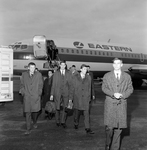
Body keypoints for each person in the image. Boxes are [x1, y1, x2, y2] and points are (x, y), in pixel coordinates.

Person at [102, 58, 133, 150]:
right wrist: (113, 94)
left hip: (121, 105)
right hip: (110, 105)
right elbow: (104, 88)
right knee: (110, 128)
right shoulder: (107, 76)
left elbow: (130, 89)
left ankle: (115, 148)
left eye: (118, 63)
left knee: (119, 129)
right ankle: (108, 143)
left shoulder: (127, 76)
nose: (116, 65)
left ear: (121, 65)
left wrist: (123, 95)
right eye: (114, 63)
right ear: (113, 65)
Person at [69, 64, 94, 134]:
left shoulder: (89, 78)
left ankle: (87, 128)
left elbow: (89, 88)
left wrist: (89, 98)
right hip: (77, 98)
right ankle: (76, 123)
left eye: (86, 69)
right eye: (84, 69)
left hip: (86, 99)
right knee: (77, 113)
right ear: (80, 69)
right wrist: (70, 99)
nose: (85, 71)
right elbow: (72, 88)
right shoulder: (75, 77)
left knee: (86, 114)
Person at [20, 62, 43, 135]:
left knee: (35, 112)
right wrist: (24, 93)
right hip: (27, 98)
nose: (32, 69)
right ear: (28, 68)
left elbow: (40, 85)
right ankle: (28, 129)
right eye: (31, 67)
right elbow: (21, 85)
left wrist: (38, 94)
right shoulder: (24, 75)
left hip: (35, 97)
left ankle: (35, 122)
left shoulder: (39, 75)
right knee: (28, 113)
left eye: (34, 67)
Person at [50, 60, 72, 128]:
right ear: (59, 65)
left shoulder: (69, 73)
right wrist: (52, 94)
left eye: (64, 65)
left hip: (66, 93)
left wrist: (71, 96)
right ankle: (57, 121)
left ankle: (63, 121)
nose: (62, 66)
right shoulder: (56, 73)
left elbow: (71, 85)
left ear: (65, 66)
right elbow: (53, 84)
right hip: (57, 93)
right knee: (57, 107)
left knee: (65, 108)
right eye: (61, 65)